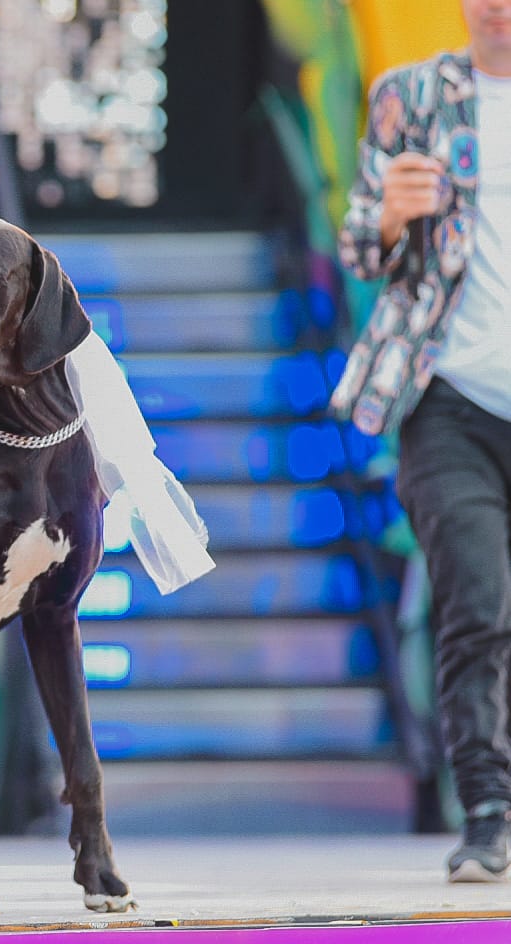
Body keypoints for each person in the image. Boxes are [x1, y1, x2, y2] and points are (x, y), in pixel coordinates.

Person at [329, 0, 511, 884]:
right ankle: (485, 813)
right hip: (447, 396)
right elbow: (360, 247)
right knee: (473, 604)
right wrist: (394, 218)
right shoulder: (411, 94)